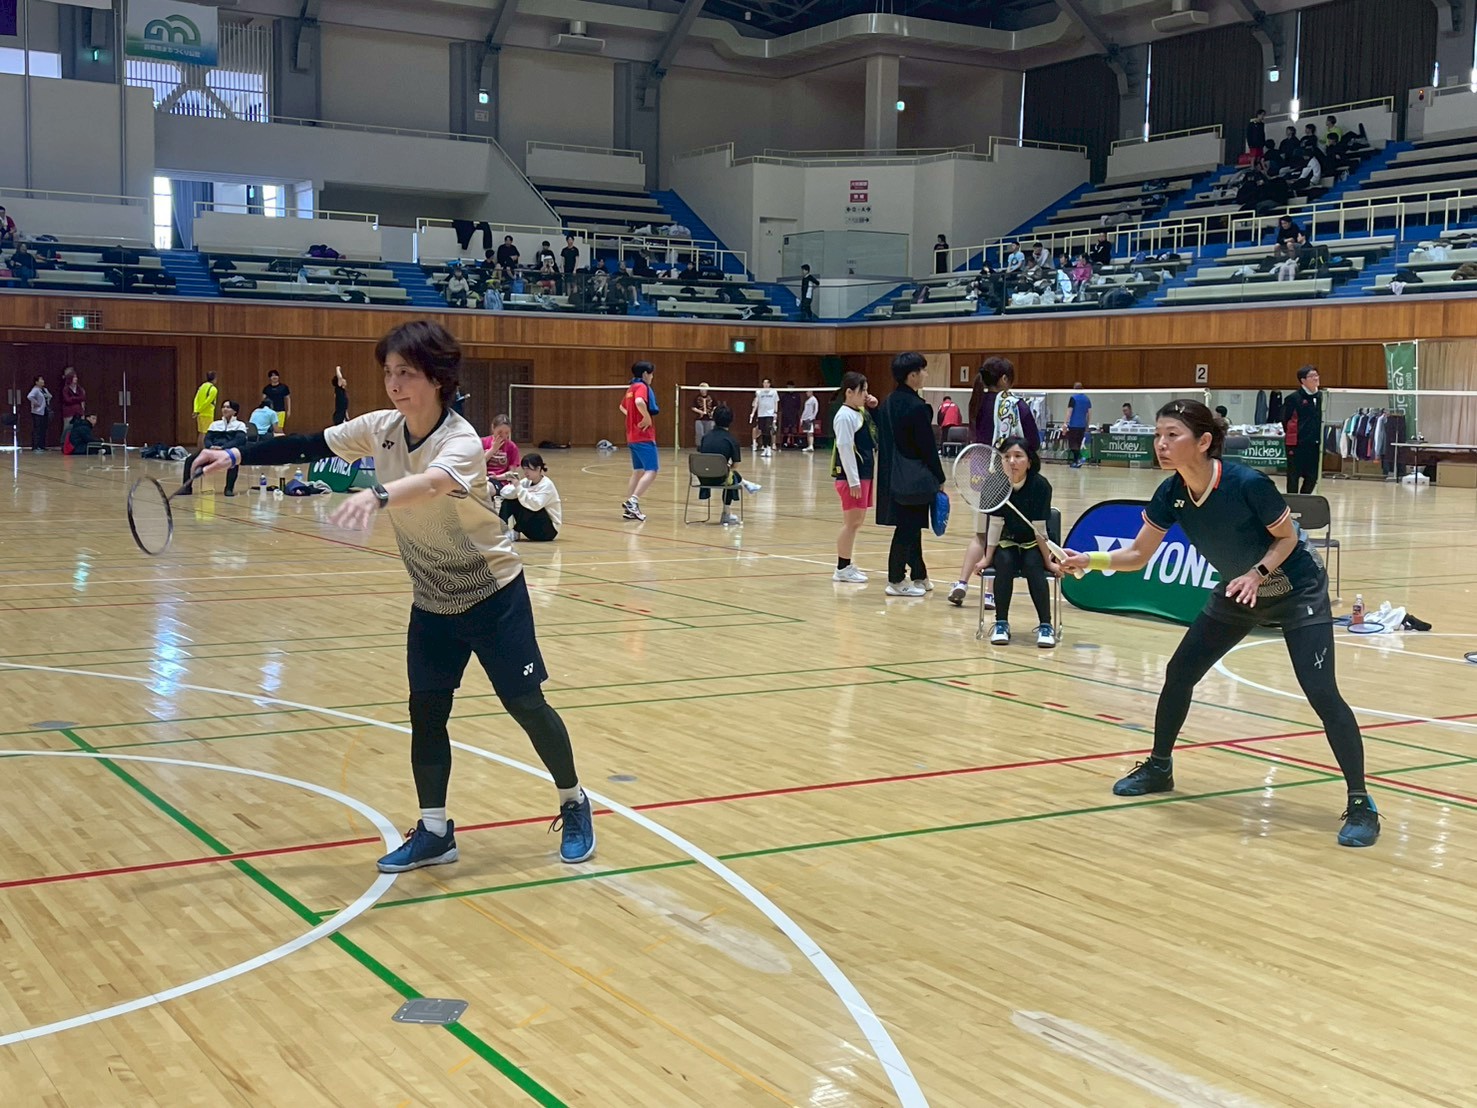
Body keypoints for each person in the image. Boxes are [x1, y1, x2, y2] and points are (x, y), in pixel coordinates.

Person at [194, 319, 596, 871]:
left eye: (406, 373)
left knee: (525, 704)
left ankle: (574, 801)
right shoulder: (382, 427)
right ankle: (435, 831)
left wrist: (377, 495)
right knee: (426, 713)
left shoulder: (460, 441)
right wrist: (236, 456)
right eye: (388, 373)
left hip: (493, 595)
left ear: (437, 378)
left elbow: (432, 483)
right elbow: (310, 442)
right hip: (431, 602)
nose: (394, 384)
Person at [1060, 398, 1379, 848]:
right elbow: (1136, 554)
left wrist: (1257, 573)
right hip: (1238, 594)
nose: (1161, 444)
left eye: (1172, 435)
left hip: (1296, 592)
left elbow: (1287, 538)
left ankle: (1362, 803)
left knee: (1322, 694)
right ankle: (1160, 766)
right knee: (1179, 672)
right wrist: (1089, 560)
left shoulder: (1247, 483)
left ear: (1204, 441)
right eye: (1158, 435)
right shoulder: (1171, 493)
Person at [973, 437, 1062, 648]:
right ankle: (1001, 623)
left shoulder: (1040, 486)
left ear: (1029, 462)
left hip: (1033, 541)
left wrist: (1049, 562)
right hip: (1006, 540)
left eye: (1018, 456)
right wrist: (987, 558)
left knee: (1033, 564)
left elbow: (1040, 529)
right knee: (1004, 562)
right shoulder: (994, 485)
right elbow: (995, 525)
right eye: (1006, 457)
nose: (1012, 461)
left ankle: (1045, 626)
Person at [876, 352, 945, 597]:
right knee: (907, 528)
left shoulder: (888, 402)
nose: (926, 374)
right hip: (914, 476)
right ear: (912, 375)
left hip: (893, 474)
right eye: (923, 370)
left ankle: (919, 574)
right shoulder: (917, 407)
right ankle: (895, 579)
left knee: (913, 525)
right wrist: (940, 477)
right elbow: (927, 448)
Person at [831, 372, 876, 583]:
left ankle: (847, 564)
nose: (866, 394)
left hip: (864, 474)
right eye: (862, 390)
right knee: (851, 523)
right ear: (849, 392)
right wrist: (853, 480)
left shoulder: (859, 412)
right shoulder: (844, 416)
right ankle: (842, 567)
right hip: (852, 478)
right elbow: (845, 448)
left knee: (856, 522)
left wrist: (873, 405)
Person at [697, 406, 762, 526]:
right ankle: (726, 513)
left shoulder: (705, 437)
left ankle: (746, 484)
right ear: (731, 420)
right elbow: (736, 464)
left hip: (703, 477)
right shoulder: (731, 440)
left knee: (729, 474)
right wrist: (725, 469)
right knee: (731, 476)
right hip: (720, 478)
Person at [969, 357, 1040, 456]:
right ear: (1004, 379)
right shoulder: (1017, 405)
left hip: (978, 462)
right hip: (1007, 463)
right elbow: (1034, 443)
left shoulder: (976, 401)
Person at [619, 361, 660, 521]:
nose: (652, 377)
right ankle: (633, 501)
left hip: (632, 436)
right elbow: (639, 402)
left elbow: (622, 407)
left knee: (638, 471)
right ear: (645, 374)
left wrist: (633, 417)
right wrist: (646, 417)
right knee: (652, 470)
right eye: (651, 374)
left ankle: (630, 507)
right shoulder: (642, 387)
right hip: (643, 436)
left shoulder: (631, 388)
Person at [180, 400, 248, 495]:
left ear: (235, 411)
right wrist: (211, 446)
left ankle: (229, 489)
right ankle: (186, 488)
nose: (225, 409)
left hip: (227, 451)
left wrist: (223, 447)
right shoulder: (215, 424)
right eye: (223, 407)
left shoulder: (240, 425)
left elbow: (239, 440)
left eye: (228, 407)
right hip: (212, 451)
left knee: (234, 460)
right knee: (190, 460)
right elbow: (207, 439)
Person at [497, 454, 562, 541]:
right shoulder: (526, 482)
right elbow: (504, 493)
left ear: (538, 468)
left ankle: (515, 532)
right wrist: (516, 487)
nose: (525, 472)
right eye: (524, 469)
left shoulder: (547, 485)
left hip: (547, 531)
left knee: (529, 504)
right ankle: (500, 530)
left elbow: (535, 505)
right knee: (509, 500)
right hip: (529, 528)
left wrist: (519, 488)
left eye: (528, 469)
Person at [1282, 364, 1323, 494]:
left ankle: (1304, 500)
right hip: (1296, 444)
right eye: (1312, 376)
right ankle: (1293, 502)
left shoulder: (1321, 397)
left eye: (1316, 375)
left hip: (1314, 443)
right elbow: (1285, 420)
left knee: (1312, 477)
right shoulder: (1293, 398)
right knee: (1293, 475)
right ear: (1303, 380)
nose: (1316, 378)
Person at [481, 414, 521, 491]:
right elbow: (478, 464)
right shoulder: (483, 442)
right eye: (500, 432)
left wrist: (496, 477)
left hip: (500, 481)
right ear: (493, 428)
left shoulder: (512, 447)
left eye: (507, 433)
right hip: (481, 478)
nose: (503, 436)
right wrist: (493, 449)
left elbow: (511, 472)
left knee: (486, 489)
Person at [751, 378, 779, 458]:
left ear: (769, 384)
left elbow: (776, 402)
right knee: (763, 431)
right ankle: (765, 448)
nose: (765, 384)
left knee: (768, 430)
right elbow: (756, 403)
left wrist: (775, 413)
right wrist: (753, 413)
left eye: (767, 383)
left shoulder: (774, 392)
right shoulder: (759, 392)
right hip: (761, 414)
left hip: (770, 414)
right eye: (764, 383)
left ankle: (769, 448)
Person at [1066, 382, 1092, 468]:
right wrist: (1087, 425)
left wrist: (1065, 423)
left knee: (1073, 444)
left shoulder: (1073, 398)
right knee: (1078, 443)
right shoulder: (1087, 399)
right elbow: (1089, 413)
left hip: (1073, 425)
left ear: (1074, 389)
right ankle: (1076, 461)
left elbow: (1069, 411)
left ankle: (1077, 460)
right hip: (1082, 425)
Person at [193, 371, 219, 446]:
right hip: (207, 413)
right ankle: (204, 449)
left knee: (201, 433)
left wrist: (196, 410)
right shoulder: (213, 389)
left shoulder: (201, 387)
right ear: (214, 378)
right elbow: (207, 402)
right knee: (206, 433)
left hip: (200, 413)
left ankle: (200, 449)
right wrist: (199, 410)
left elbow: (196, 398)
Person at [26, 375, 51, 452]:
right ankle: (35, 446)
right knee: (37, 429)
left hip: (44, 411)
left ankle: (42, 445)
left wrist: (48, 397)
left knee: (43, 429)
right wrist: (36, 402)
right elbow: (29, 396)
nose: (43, 381)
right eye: (41, 380)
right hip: (37, 412)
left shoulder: (44, 389)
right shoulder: (35, 390)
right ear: (36, 382)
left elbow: (50, 396)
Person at [800, 389, 819, 453]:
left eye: (808, 392)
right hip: (805, 418)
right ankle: (809, 446)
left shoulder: (814, 399)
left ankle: (811, 446)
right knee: (807, 432)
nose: (806, 393)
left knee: (810, 432)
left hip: (809, 419)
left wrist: (812, 417)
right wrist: (802, 418)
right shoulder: (808, 400)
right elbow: (805, 410)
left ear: (811, 392)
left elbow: (816, 410)